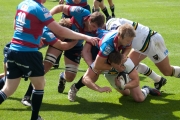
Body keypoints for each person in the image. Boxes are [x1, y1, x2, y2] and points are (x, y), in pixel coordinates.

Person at [0, 0, 100, 120]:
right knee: (40, 82)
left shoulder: (23, 3)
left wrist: (35, 36)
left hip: (14, 49)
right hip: (29, 52)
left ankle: (34, 112)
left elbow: (15, 26)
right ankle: (33, 112)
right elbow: (61, 33)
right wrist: (84, 37)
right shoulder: (41, 10)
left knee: (9, 88)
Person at [68, 24, 136, 101]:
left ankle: (109, 73)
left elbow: (129, 47)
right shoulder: (108, 45)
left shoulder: (126, 38)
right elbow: (97, 65)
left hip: (110, 49)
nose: (129, 42)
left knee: (126, 93)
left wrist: (124, 55)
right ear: (120, 36)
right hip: (96, 47)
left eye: (130, 40)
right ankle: (75, 88)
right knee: (94, 76)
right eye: (128, 41)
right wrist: (99, 88)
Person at [106, 18, 180, 90]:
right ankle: (158, 80)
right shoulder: (109, 30)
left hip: (151, 42)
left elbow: (119, 30)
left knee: (167, 71)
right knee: (129, 65)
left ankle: (158, 79)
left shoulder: (111, 25)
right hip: (142, 46)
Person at [50, 4, 105, 94]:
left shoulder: (96, 32)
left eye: (97, 28)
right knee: (48, 63)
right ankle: (30, 93)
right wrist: (48, 15)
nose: (94, 29)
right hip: (63, 35)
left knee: (70, 78)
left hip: (75, 46)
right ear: (89, 19)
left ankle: (63, 77)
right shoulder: (81, 12)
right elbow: (61, 7)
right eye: (94, 26)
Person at [54, 0, 91, 68]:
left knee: (82, 31)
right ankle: (56, 59)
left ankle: (77, 51)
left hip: (83, 7)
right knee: (62, 31)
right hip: (69, 8)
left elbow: (77, 1)